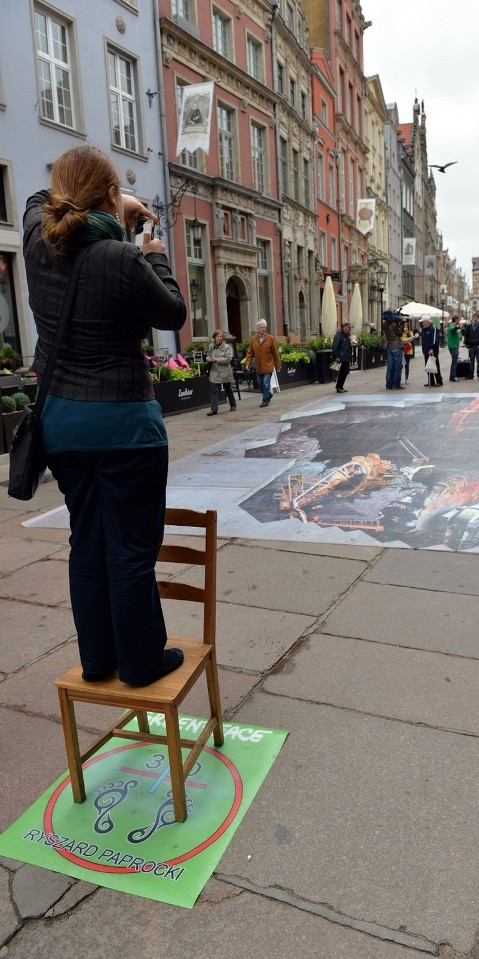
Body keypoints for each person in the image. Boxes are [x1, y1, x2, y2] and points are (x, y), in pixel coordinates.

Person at [23, 144, 187, 687]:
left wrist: (117, 201)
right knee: (132, 549)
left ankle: (98, 660)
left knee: (87, 541)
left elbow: (35, 201)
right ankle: (141, 661)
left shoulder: (35, 245)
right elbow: (172, 311)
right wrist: (156, 250)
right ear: (112, 197)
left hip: (63, 428)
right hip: (123, 425)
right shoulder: (122, 260)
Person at [245, 318, 281, 408]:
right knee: (260, 384)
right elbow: (250, 353)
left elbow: (275, 353)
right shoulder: (253, 340)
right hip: (259, 366)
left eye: (264, 327)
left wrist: (278, 365)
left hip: (268, 365)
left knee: (265, 383)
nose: (263, 329)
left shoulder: (270, 339)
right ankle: (268, 394)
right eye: (261, 327)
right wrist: (247, 363)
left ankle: (265, 401)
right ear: (257, 329)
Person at [206, 330, 237, 415]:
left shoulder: (226, 347)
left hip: (225, 371)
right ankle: (214, 409)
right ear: (214, 338)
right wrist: (208, 359)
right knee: (214, 390)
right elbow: (208, 355)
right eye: (218, 336)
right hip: (214, 371)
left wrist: (217, 359)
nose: (219, 338)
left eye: (221, 336)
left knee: (228, 389)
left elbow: (228, 359)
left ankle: (233, 404)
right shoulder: (211, 346)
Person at [383, 310, 405, 390]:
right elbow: (400, 334)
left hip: (389, 347)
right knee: (397, 366)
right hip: (396, 346)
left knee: (390, 367)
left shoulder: (384, 324)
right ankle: (396, 384)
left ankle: (389, 384)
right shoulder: (393, 324)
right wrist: (402, 324)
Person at [419, 316, 443, 387]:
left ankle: (439, 381)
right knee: (428, 366)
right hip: (426, 351)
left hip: (432, 351)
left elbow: (434, 339)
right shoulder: (424, 329)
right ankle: (431, 381)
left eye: (423, 321)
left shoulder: (433, 328)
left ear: (427, 321)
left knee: (435, 366)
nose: (422, 323)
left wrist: (432, 348)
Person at [464, 311, 479, 380]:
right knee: (471, 361)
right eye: (474, 317)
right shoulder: (469, 326)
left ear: (478, 318)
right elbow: (466, 335)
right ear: (472, 317)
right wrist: (466, 343)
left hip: (478, 346)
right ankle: (471, 375)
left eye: (476, 317)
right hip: (471, 346)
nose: (475, 318)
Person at [332, 320, 352, 393]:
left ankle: (340, 386)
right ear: (344, 327)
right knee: (343, 372)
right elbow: (335, 346)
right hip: (341, 357)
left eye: (350, 328)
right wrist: (337, 356)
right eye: (349, 327)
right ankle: (339, 387)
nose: (350, 329)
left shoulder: (347, 335)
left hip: (346, 357)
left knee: (345, 372)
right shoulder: (339, 335)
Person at [401, 319, 418, 385]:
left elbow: (412, 338)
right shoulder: (400, 332)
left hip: (408, 351)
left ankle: (406, 379)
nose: (405, 327)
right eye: (404, 325)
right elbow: (401, 340)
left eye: (406, 325)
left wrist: (409, 335)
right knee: (401, 365)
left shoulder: (410, 332)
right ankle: (401, 379)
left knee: (407, 365)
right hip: (402, 351)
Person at [446, 315, 461, 381]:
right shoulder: (452, 325)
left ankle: (452, 376)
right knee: (454, 362)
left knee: (454, 361)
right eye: (458, 319)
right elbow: (452, 330)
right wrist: (457, 327)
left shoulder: (454, 326)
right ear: (456, 320)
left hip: (455, 346)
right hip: (453, 346)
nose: (459, 321)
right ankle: (453, 376)